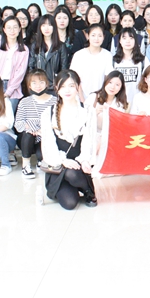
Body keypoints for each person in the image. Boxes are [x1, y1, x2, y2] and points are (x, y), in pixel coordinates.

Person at [41, 70, 99, 210]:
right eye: (63, 86)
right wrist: (63, 160)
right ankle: (66, 186)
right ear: (56, 88)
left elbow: (89, 139)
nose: (67, 90)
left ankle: (88, 191)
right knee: (70, 203)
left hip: (79, 166)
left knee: (73, 173)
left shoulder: (88, 111)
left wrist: (84, 160)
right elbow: (48, 143)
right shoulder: (48, 112)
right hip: (58, 165)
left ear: (78, 87)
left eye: (71, 86)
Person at [14, 70, 57, 178]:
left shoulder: (55, 101)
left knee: (41, 155)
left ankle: (41, 161)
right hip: (27, 138)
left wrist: (44, 130)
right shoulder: (24, 102)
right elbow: (18, 123)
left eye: (41, 82)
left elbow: (57, 122)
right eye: (34, 83)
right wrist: (33, 129)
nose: (38, 86)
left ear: (47, 84)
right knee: (28, 135)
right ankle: (25, 166)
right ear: (29, 85)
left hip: (45, 137)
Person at [85, 70, 129, 172]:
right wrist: (94, 113)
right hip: (91, 139)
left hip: (109, 142)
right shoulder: (93, 98)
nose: (112, 87)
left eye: (117, 85)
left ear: (121, 88)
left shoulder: (119, 105)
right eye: (110, 82)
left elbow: (118, 128)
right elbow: (83, 120)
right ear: (105, 82)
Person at [0, 16, 29, 113]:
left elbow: (20, 73)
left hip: (13, 89)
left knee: (9, 117)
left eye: (15, 27)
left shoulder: (24, 49)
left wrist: (9, 91)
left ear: (19, 29)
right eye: (9, 27)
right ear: (4, 30)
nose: (12, 30)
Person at [70, 23, 114, 99]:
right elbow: (74, 79)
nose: (96, 38)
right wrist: (82, 100)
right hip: (80, 98)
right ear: (88, 36)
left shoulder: (107, 55)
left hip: (100, 98)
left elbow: (108, 78)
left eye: (99, 36)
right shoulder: (79, 55)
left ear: (103, 37)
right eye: (93, 35)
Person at [28, 14, 69, 90]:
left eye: (50, 25)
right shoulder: (35, 46)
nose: (46, 28)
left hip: (55, 86)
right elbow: (31, 67)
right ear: (40, 28)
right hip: (38, 87)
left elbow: (64, 69)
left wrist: (59, 84)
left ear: (54, 27)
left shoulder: (61, 46)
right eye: (43, 25)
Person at [111, 27, 147, 103]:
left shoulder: (143, 60)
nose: (128, 41)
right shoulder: (113, 61)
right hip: (117, 102)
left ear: (135, 41)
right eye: (124, 38)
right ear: (120, 41)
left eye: (131, 38)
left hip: (137, 102)